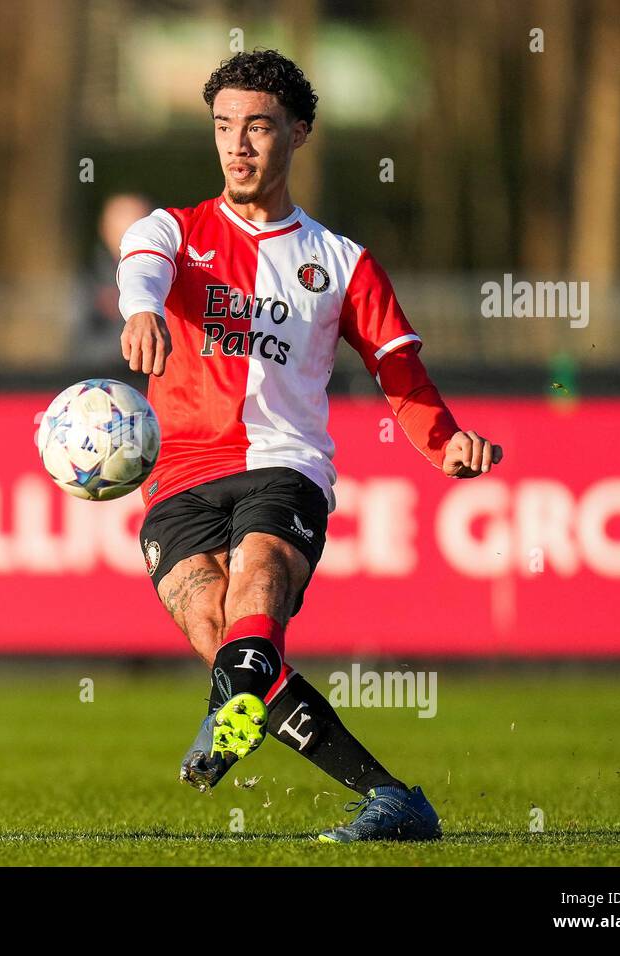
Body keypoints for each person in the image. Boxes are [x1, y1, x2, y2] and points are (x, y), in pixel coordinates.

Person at [117, 49, 502, 842]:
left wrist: (446, 444)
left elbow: (399, 369)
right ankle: (391, 798)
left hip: (283, 469)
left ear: (299, 132)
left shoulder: (342, 263)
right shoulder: (174, 232)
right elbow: (142, 265)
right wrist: (141, 310)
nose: (239, 146)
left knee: (256, 589)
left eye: (258, 127)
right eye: (224, 127)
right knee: (228, 647)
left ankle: (244, 714)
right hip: (176, 481)